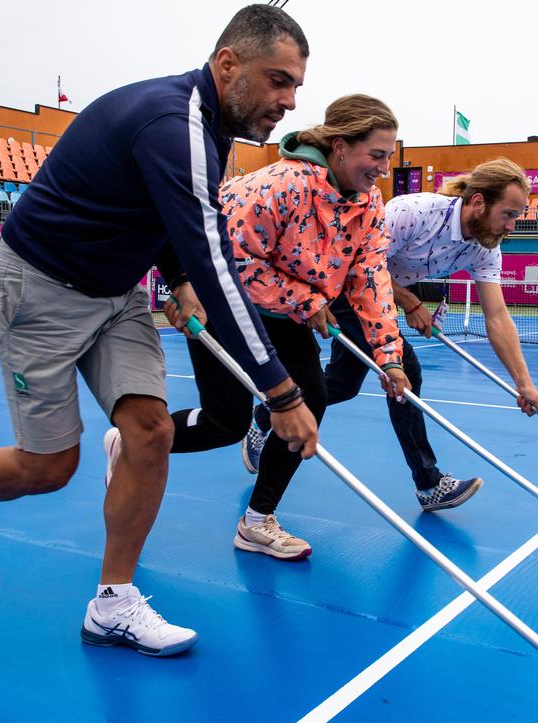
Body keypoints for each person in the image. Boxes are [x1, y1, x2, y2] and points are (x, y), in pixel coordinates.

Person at [0, 5, 315, 657]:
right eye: (278, 80)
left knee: (150, 433)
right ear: (228, 63)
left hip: (115, 290)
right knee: (50, 467)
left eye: (296, 85)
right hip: (36, 289)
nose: (289, 100)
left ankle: (112, 603)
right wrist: (282, 394)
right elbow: (216, 260)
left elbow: (167, 223)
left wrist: (176, 278)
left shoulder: (210, 130)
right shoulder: (170, 119)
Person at [153, 94, 409, 561]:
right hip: (222, 301)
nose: (383, 168)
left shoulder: (369, 202)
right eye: (376, 155)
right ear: (339, 147)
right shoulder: (282, 184)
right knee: (224, 424)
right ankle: (134, 441)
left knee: (310, 402)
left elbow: (371, 278)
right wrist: (307, 299)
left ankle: (256, 522)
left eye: (389, 156)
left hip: (284, 314)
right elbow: (227, 260)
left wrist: (388, 357)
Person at [243, 158, 538, 511]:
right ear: (479, 202)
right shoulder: (414, 212)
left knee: (341, 386)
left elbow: (497, 316)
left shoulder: (485, 246)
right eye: (509, 214)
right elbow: (361, 265)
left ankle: (266, 414)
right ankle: (428, 484)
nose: (512, 225)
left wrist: (523, 383)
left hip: (380, 300)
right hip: (345, 287)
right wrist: (408, 302)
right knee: (406, 372)